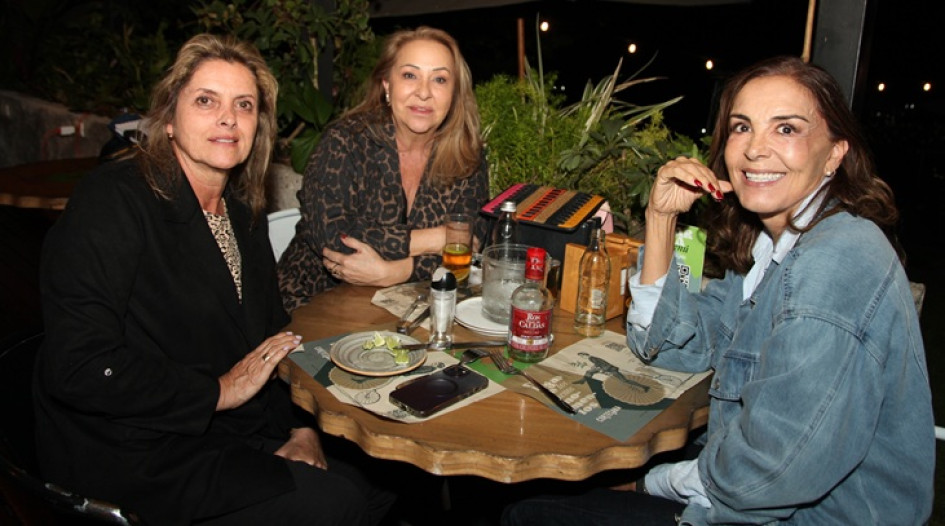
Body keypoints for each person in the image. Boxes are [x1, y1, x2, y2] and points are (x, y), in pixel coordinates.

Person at [502, 56, 934, 525]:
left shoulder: (833, 263)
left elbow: (770, 472)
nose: (755, 149)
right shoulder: (775, 248)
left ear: (834, 153)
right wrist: (661, 218)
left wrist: (650, 483)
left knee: (531, 512)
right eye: (742, 127)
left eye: (786, 129)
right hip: (749, 486)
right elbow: (672, 344)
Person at [34, 33, 393, 526]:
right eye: (207, 100)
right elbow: (79, 365)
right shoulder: (113, 200)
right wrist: (218, 391)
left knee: (381, 480)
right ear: (169, 119)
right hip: (135, 449)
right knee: (336, 502)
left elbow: (271, 340)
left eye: (244, 105)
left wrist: (302, 431)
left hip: (221, 432)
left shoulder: (241, 212)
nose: (228, 118)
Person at [277, 26, 490, 312]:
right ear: (387, 84)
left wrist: (396, 272)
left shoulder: (466, 155)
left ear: (454, 93)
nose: (424, 92)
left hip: (414, 305)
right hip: (311, 301)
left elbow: (471, 244)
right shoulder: (345, 141)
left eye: (439, 79)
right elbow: (334, 237)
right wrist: (437, 238)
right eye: (410, 75)